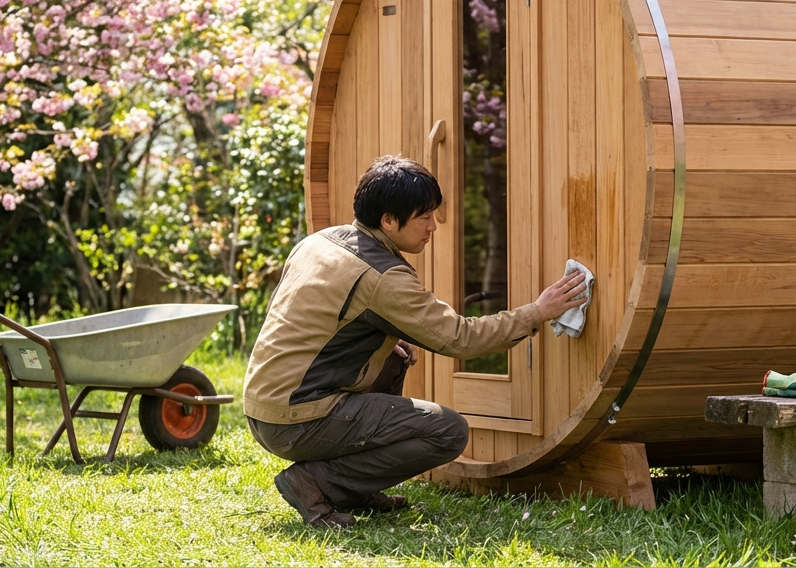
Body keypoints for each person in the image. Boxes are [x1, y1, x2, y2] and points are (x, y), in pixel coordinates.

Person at [244, 155, 589, 528]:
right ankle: (314, 482)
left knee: (394, 354)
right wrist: (537, 312)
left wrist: (373, 344)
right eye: (424, 217)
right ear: (389, 221)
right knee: (447, 431)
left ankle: (356, 487)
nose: (433, 227)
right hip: (297, 419)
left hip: (263, 407)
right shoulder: (382, 276)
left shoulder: (320, 242)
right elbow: (460, 338)